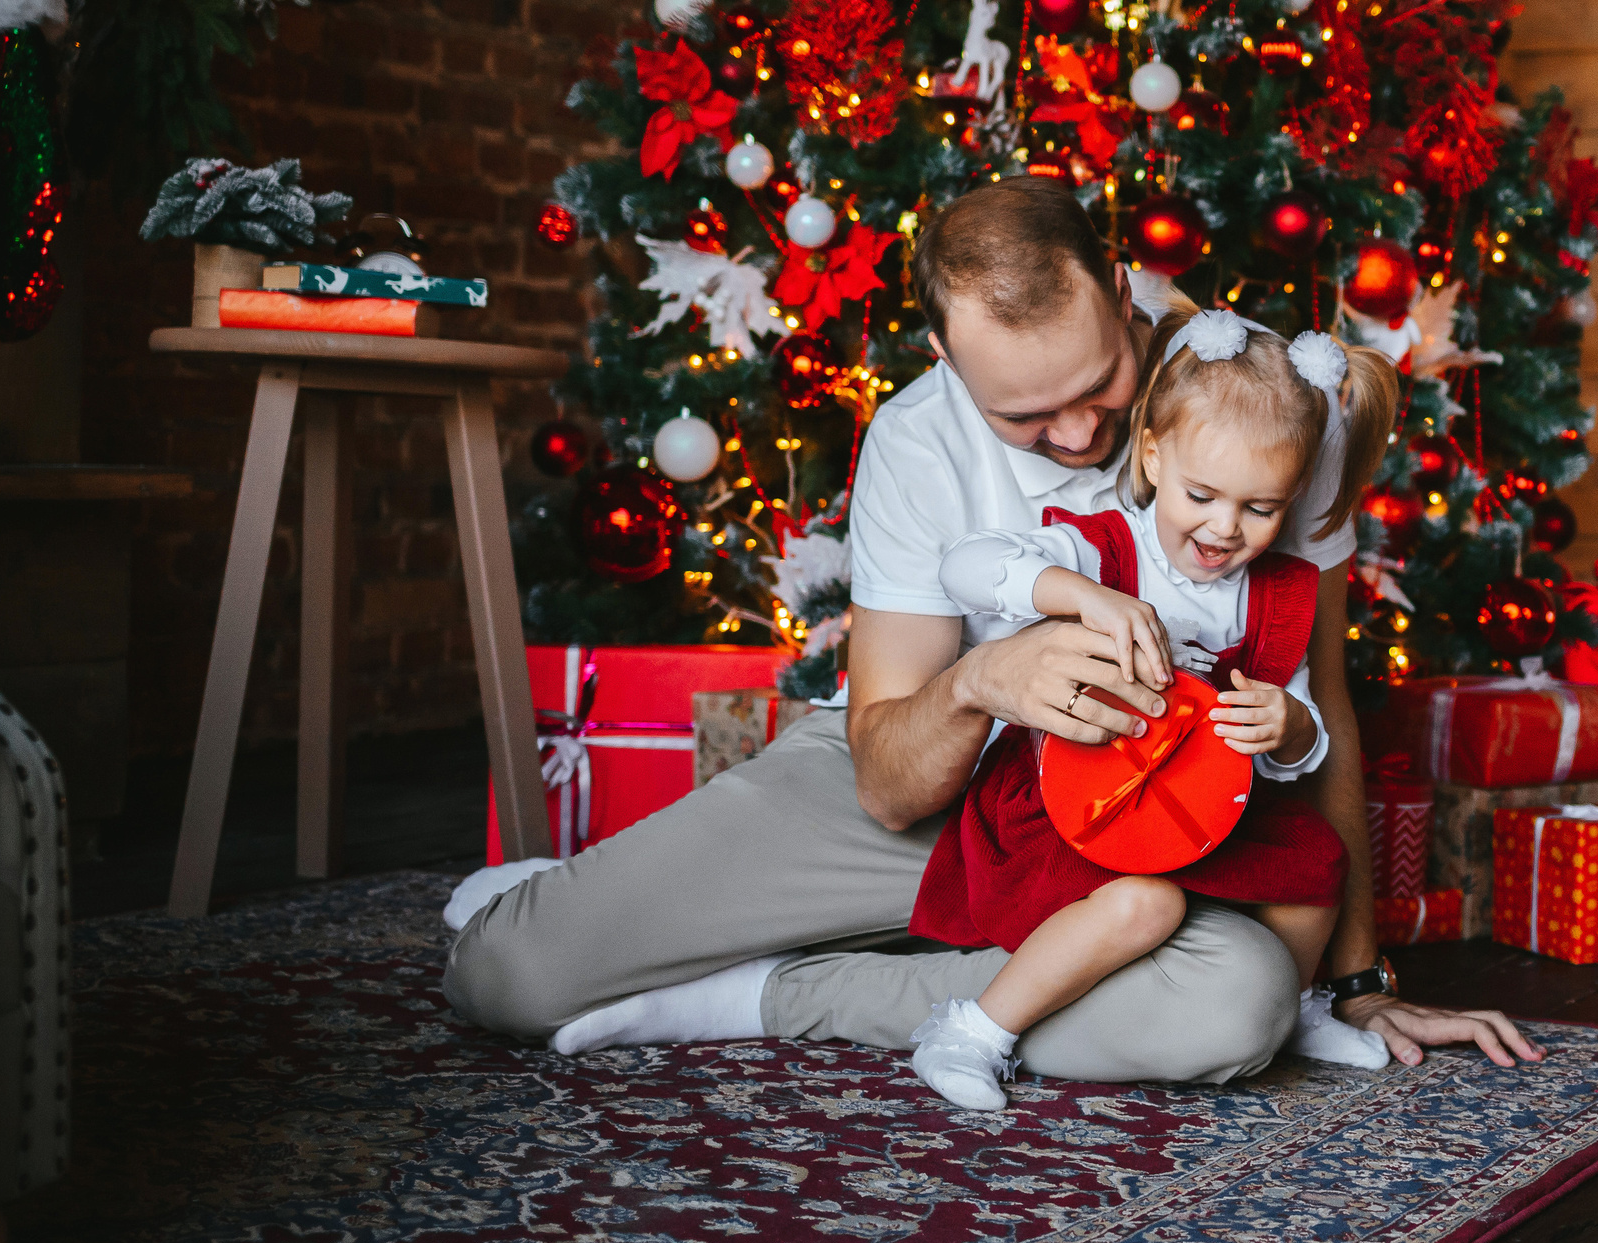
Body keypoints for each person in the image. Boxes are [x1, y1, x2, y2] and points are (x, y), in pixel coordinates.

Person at [442, 178, 1540, 1080]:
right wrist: (985, 681)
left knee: (1235, 1012)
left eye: (1102, 386)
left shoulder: (1258, 407)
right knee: (509, 982)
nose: (1074, 434)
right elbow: (884, 781)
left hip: (1155, 818)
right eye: (1025, 415)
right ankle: (625, 914)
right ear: (944, 356)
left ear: (1121, 291)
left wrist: (1357, 985)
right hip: (944, 788)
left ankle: (764, 993)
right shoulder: (916, 442)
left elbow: (1323, 700)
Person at [906, 308, 1397, 1108]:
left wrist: (1289, 726)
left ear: (1294, 495)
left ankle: (1304, 1008)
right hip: (1078, 803)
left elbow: (1303, 735)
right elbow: (968, 565)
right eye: (1202, 494)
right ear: (1157, 452)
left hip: (1196, 809)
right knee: (1147, 904)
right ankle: (973, 1031)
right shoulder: (1103, 545)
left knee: (1315, 863)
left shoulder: (1275, 593)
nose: (1224, 527)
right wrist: (1081, 597)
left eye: (1260, 507)